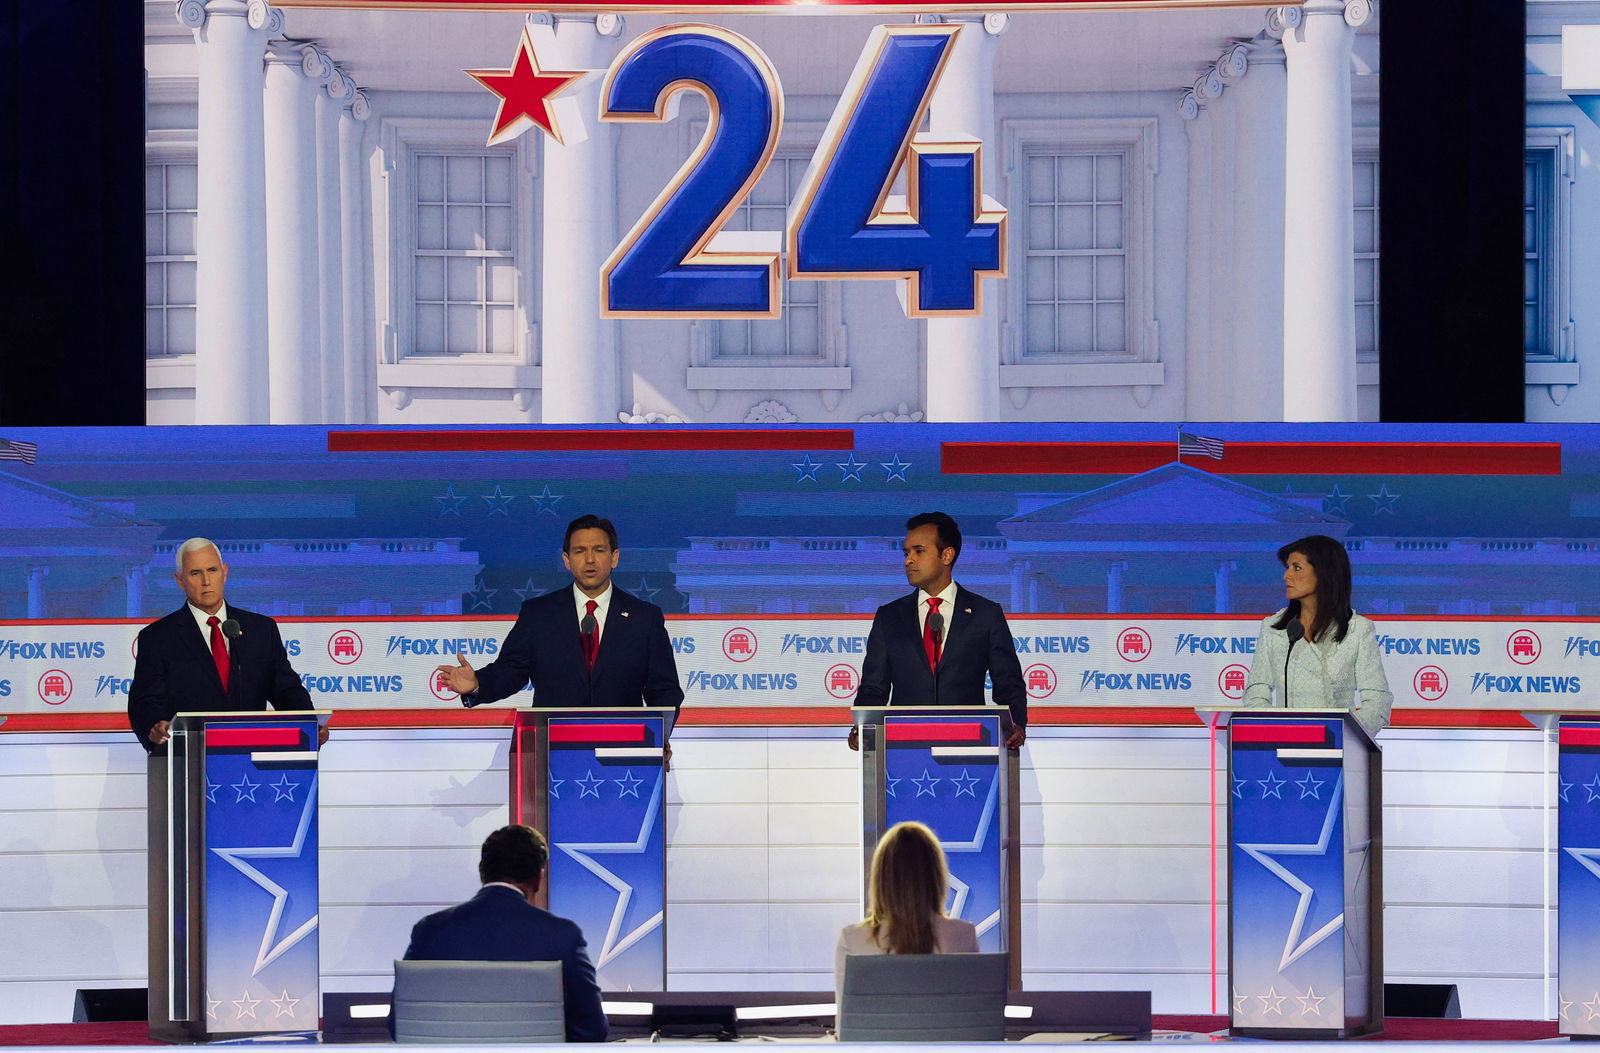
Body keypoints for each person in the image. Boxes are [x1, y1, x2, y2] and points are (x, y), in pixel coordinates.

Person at [435, 514, 683, 714]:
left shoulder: (645, 618)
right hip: (553, 746)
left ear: (614, 557)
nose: (589, 560)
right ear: (566, 560)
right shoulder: (538, 614)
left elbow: (664, 690)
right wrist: (477, 684)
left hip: (623, 751)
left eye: (598, 550)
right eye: (579, 551)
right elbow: (511, 671)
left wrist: (658, 738)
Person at [397, 825, 608, 1043]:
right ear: (539, 877)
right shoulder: (563, 935)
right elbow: (592, 1031)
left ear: (482, 871)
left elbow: (400, 1024)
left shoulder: (429, 930)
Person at [855, 512, 1026, 748]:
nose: (908, 560)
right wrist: (864, 725)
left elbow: (1008, 681)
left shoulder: (985, 614)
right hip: (905, 746)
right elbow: (874, 687)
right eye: (906, 553)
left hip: (970, 745)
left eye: (919, 551)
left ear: (946, 555)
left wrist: (1016, 723)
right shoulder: (889, 617)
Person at [128, 537, 315, 751]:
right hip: (188, 757)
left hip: (252, 755)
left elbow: (287, 690)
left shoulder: (261, 630)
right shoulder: (158, 637)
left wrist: (309, 724)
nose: (206, 581)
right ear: (180, 580)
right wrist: (155, 726)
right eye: (195, 573)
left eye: (212, 570)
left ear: (225, 572)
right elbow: (145, 702)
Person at [1243, 534, 1392, 737]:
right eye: (1287, 568)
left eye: (1296, 568)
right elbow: (1256, 690)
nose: (1286, 576)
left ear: (1324, 573)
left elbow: (1378, 701)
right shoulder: (1273, 628)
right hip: (1281, 746)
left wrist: (1344, 737)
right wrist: (1272, 731)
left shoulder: (1358, 630)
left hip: (1337, 749)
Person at [834, 821, 979, 994]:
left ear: (881, 878)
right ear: (936, 877)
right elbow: (975, 1018)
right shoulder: (963, 935)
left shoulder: (851, 940)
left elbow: (847, 1020)